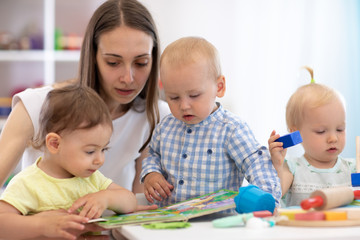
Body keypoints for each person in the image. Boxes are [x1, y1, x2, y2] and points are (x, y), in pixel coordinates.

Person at [0, 0, 170, 193]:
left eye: (141, 63)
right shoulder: (35, 106)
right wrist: (39, 224)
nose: (128, 78)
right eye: (113, 62)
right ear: (93, 56)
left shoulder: (156, 116)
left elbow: (141, 207)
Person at [140, 36, 281, 207]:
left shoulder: (231, 129)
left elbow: (257, 164)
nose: (184, 106)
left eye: (194, 95)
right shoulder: (165, 127)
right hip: (171, 222)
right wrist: (151, 174)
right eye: (174, 97)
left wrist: (267, 199)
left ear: (219, 87)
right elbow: (153, 155)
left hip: (216, 224)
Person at [0, 84, 137, 240]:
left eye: (103, 149)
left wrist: (106, 198)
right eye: (90, 151)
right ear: (55, 144)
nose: (100, 160)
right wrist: (42, 225)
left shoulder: (92, 179)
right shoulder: (28, 183)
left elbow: (130, 201)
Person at [268, 68, 356, 207]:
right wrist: (277, 165)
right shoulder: (291, 168)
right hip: (302, 228)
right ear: (295, 134)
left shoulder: (353, 168)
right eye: (321, 131)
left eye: (340, 129)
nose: (333, 138)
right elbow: (275, 194)